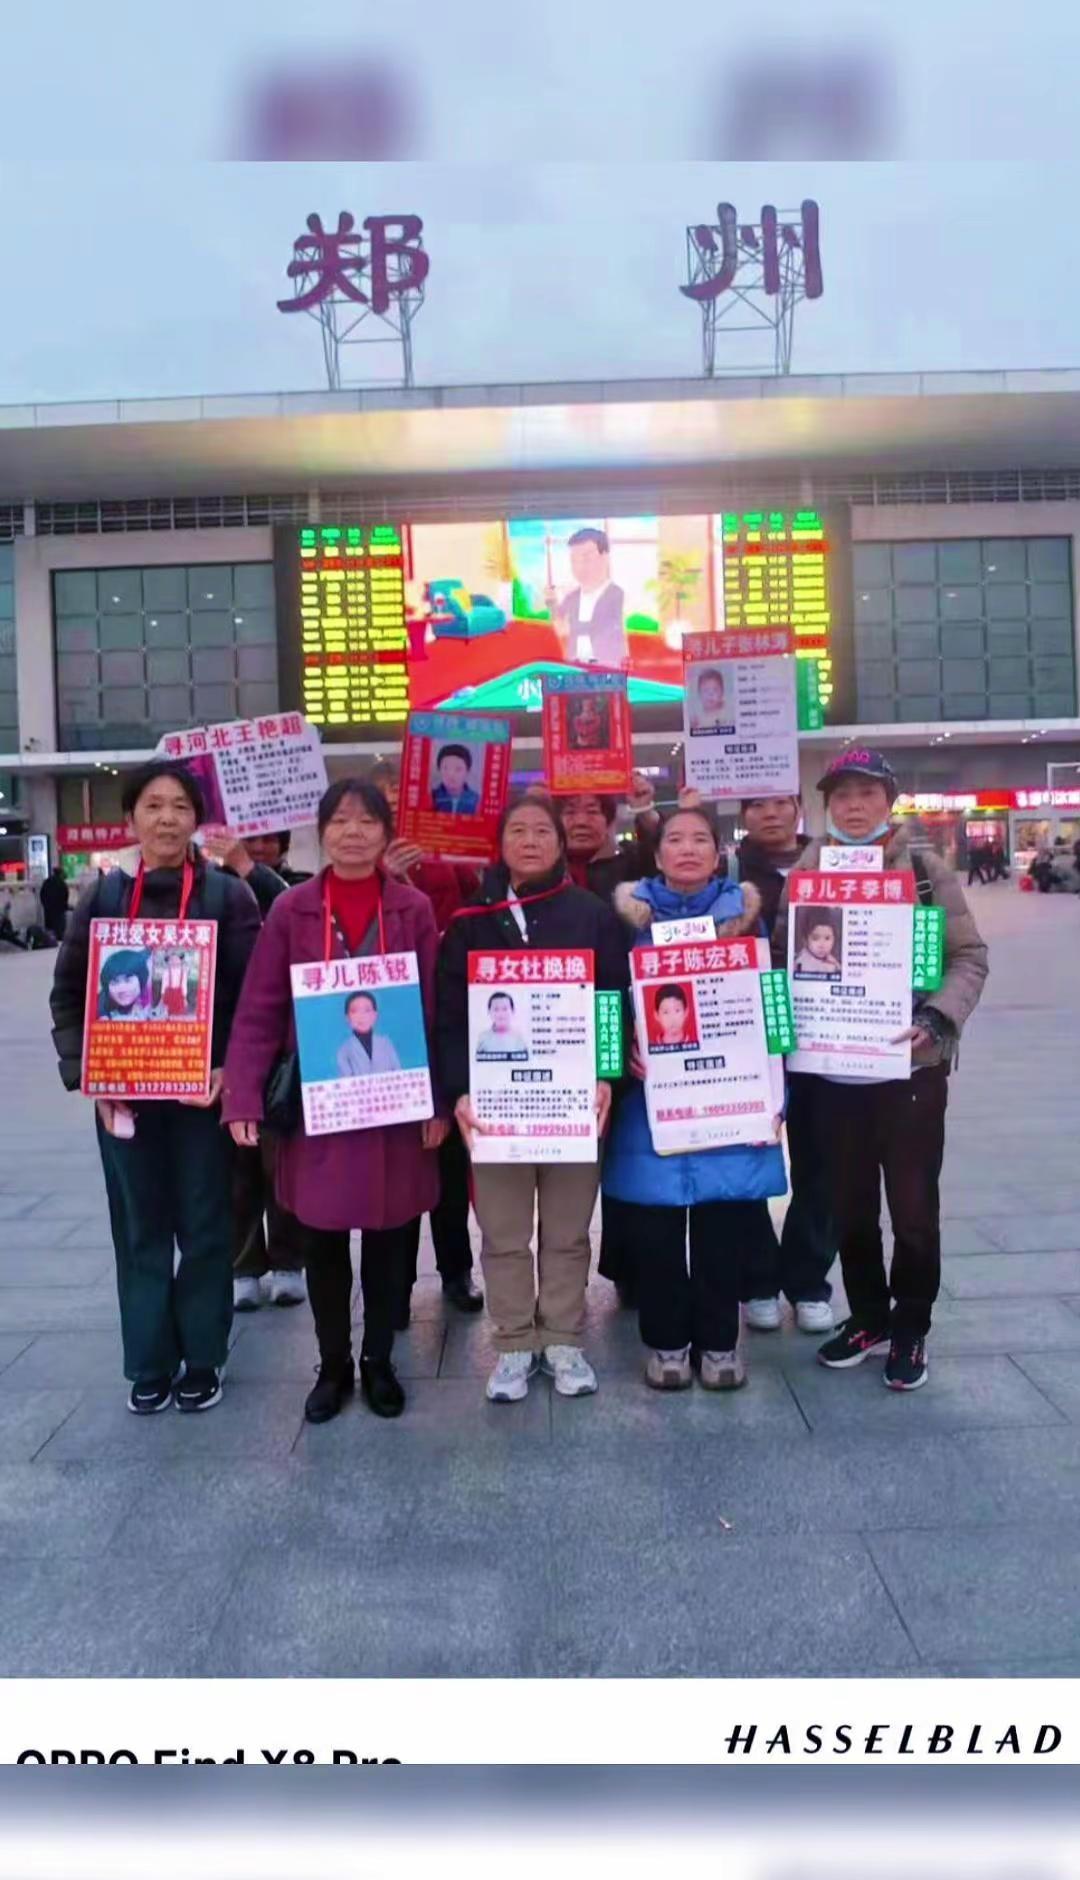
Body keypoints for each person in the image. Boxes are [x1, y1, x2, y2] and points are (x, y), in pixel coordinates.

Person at [222, 779, 449, 1425]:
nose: (353, 832)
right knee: (321, 1241)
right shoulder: (292, 910)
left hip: (396, 1104)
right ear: (321, 832)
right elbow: (260, 1008)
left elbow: (433, 1010)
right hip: (319, 1109)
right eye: (340, 820)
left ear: (385, 833)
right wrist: (242, 1096)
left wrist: (437, 1102)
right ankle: (332, 1364)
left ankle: (378, 1359)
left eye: (367, 821)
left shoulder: (412, 908)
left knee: (390, 1241)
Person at [49, 760, 261, 1414]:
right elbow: (69, 995)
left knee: (205, 1225)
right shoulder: (103, 897)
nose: (167, 819)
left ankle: (203, 1356)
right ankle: (148, 1361)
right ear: (131, 818)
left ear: (197, 820)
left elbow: (255, 1000)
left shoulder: (227, 896)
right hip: (126, 1098)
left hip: (201, 1097)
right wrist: (88, 1073)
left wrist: (230, 1071)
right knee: (139, 1228)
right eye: (153, 806)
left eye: (180, 807)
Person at [774, 750, 989, 1392]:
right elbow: (784, 960)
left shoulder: (923, 870)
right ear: (826, 805)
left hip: (910, 1071)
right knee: (850, 1207)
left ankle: (911, 1325)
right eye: (842, 795)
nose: (854, 806)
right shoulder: (807, 872)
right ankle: (868, 1316)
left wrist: (936, 1018)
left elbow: (969, 957)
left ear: (889, 802)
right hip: (832, 1077)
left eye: (867, 793)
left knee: (914, 1208)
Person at [437, 794, 629, 1403]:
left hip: (573, 1105)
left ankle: (564, 1338)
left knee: (568, 1232)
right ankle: (515, 1342)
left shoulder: (592, 915)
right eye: (517, 830)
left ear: (560, 842)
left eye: (542, 830)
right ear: (499, 844)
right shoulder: (470, 921)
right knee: (503, 1232)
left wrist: (606, 1075)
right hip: (497, 1110)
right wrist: (458, 1093)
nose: (529, 841)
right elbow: (449, 1018)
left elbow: (612, 1000)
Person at [603, 806, 786, 1392]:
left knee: (723, 1226)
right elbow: (604, 997)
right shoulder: (624, 919)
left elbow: (773, 1002)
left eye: (700, 839)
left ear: (718, 852)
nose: (687, 849)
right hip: (649, 1103)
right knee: (656, 1231)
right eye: (675, 839)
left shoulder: (745, 919)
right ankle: (666, 1343)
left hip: (731, 1098)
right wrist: (621, 1051)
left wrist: (775, 1088)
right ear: (656, 855)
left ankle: (719, 1342)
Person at [369, 758, 483, 1317]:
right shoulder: (358, 868)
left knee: (449, 1161)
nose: (394, 810)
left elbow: (473, 916)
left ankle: (456, 1270)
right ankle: (393, 1285)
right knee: (396, 1163)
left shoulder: (448, 854)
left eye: (400, 798)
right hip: (389, 1021)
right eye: (383, 803)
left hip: (448, 1014)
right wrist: (384, 880)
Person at [729, 794, 834, 1337]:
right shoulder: (726, 874)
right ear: (743, 814)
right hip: (750, 1037)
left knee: (824, 1162)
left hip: (827, 1035)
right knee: (746, 1160)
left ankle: (808, 1279)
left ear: (798, 807)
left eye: (780, 803)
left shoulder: (834, 864)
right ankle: (757, 1281)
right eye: (757, 804)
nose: (770, 813)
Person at [199, 828, 306, 1312]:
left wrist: (248, 868)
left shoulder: (300, 888)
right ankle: (243, 1265)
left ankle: (288, 1261)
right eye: (250, 840)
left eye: (268, 840)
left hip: (285, 1048)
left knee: (281, 1159)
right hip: (224, 1045)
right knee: (234, 1167)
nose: (258, 847)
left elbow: (292, 916)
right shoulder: (209, 890)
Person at [545, 526, 627, 667]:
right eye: (574, 560)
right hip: (574, 672)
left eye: (586, 559)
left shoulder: (616, 595)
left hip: (608, 672)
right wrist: (552, 603)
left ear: (605, 558)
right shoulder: (571, 598)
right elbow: (560, 628)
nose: (579, 567)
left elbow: (601, 628)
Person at [336, 990, 402, 1077]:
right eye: (355, 1011)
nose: (361, 1016)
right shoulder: (344, 1051)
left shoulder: (386, 1043)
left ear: (375, 1015)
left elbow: (398, 1072)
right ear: (347, 1017)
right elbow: (346, 1081)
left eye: (367, 1010)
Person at [243, 829, 312, 888]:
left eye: (269, 840)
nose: (257, 848)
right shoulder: (236, 885)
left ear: (283, 846)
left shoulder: (301, 884)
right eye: (249, 839)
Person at [473, 990, 529, 1058]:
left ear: (512, 1011)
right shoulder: (483, 1038)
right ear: (489, 1012)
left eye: (505, 1009)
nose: (500, 1014)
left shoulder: (520, 1038)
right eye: (496, 1009)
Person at [98, 949, 151, 1018]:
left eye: (128, 980)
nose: (122, 989)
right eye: (115, 982)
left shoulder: (151, 1003)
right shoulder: (99, 1008)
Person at [431, 745, 480, 816]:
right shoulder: (432, 797)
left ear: (467, 772)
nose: (451, 774)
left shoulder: (476, 800)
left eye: (458, 769)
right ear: (439, 770)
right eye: (445, 768)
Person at [690, 667, 729, 732]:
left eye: (715, 690)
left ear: (722, 692)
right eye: (706, 690)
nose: (710, 694)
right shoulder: (697, 717)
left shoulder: (727, 711)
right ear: (699, 694)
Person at [40, 865, 70, 942]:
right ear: (61, 874)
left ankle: (50, 940)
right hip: (59, 910)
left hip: (48, 910)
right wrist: (65, 906)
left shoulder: (47, 882)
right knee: (59, 929)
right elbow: (65, 896)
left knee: (50, 929)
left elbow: (42, 895)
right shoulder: (62, 883)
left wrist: (45, 905)